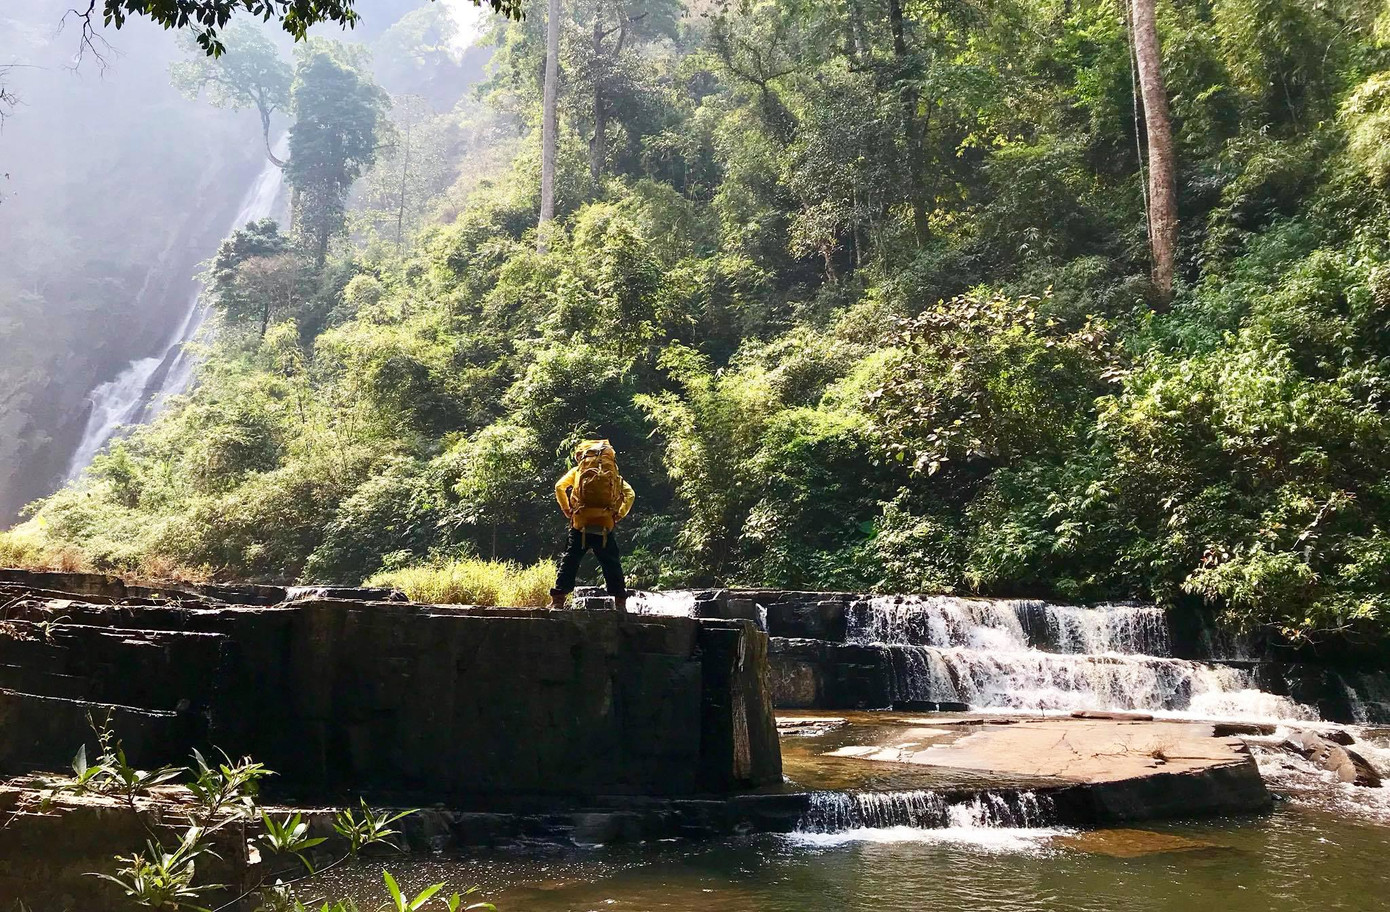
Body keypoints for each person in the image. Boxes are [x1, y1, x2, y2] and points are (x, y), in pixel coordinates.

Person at [550, 438, 635, 611]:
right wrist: (619, 514)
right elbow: (630, 494)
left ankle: (558, 600)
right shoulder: (614, 475)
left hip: (581, 522)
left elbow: (559, 487)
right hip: (605, 524)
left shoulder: (577, 472)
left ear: (581, 456)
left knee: (570, 560)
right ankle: (620, 602)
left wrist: (567, 510)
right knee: (611, 563)